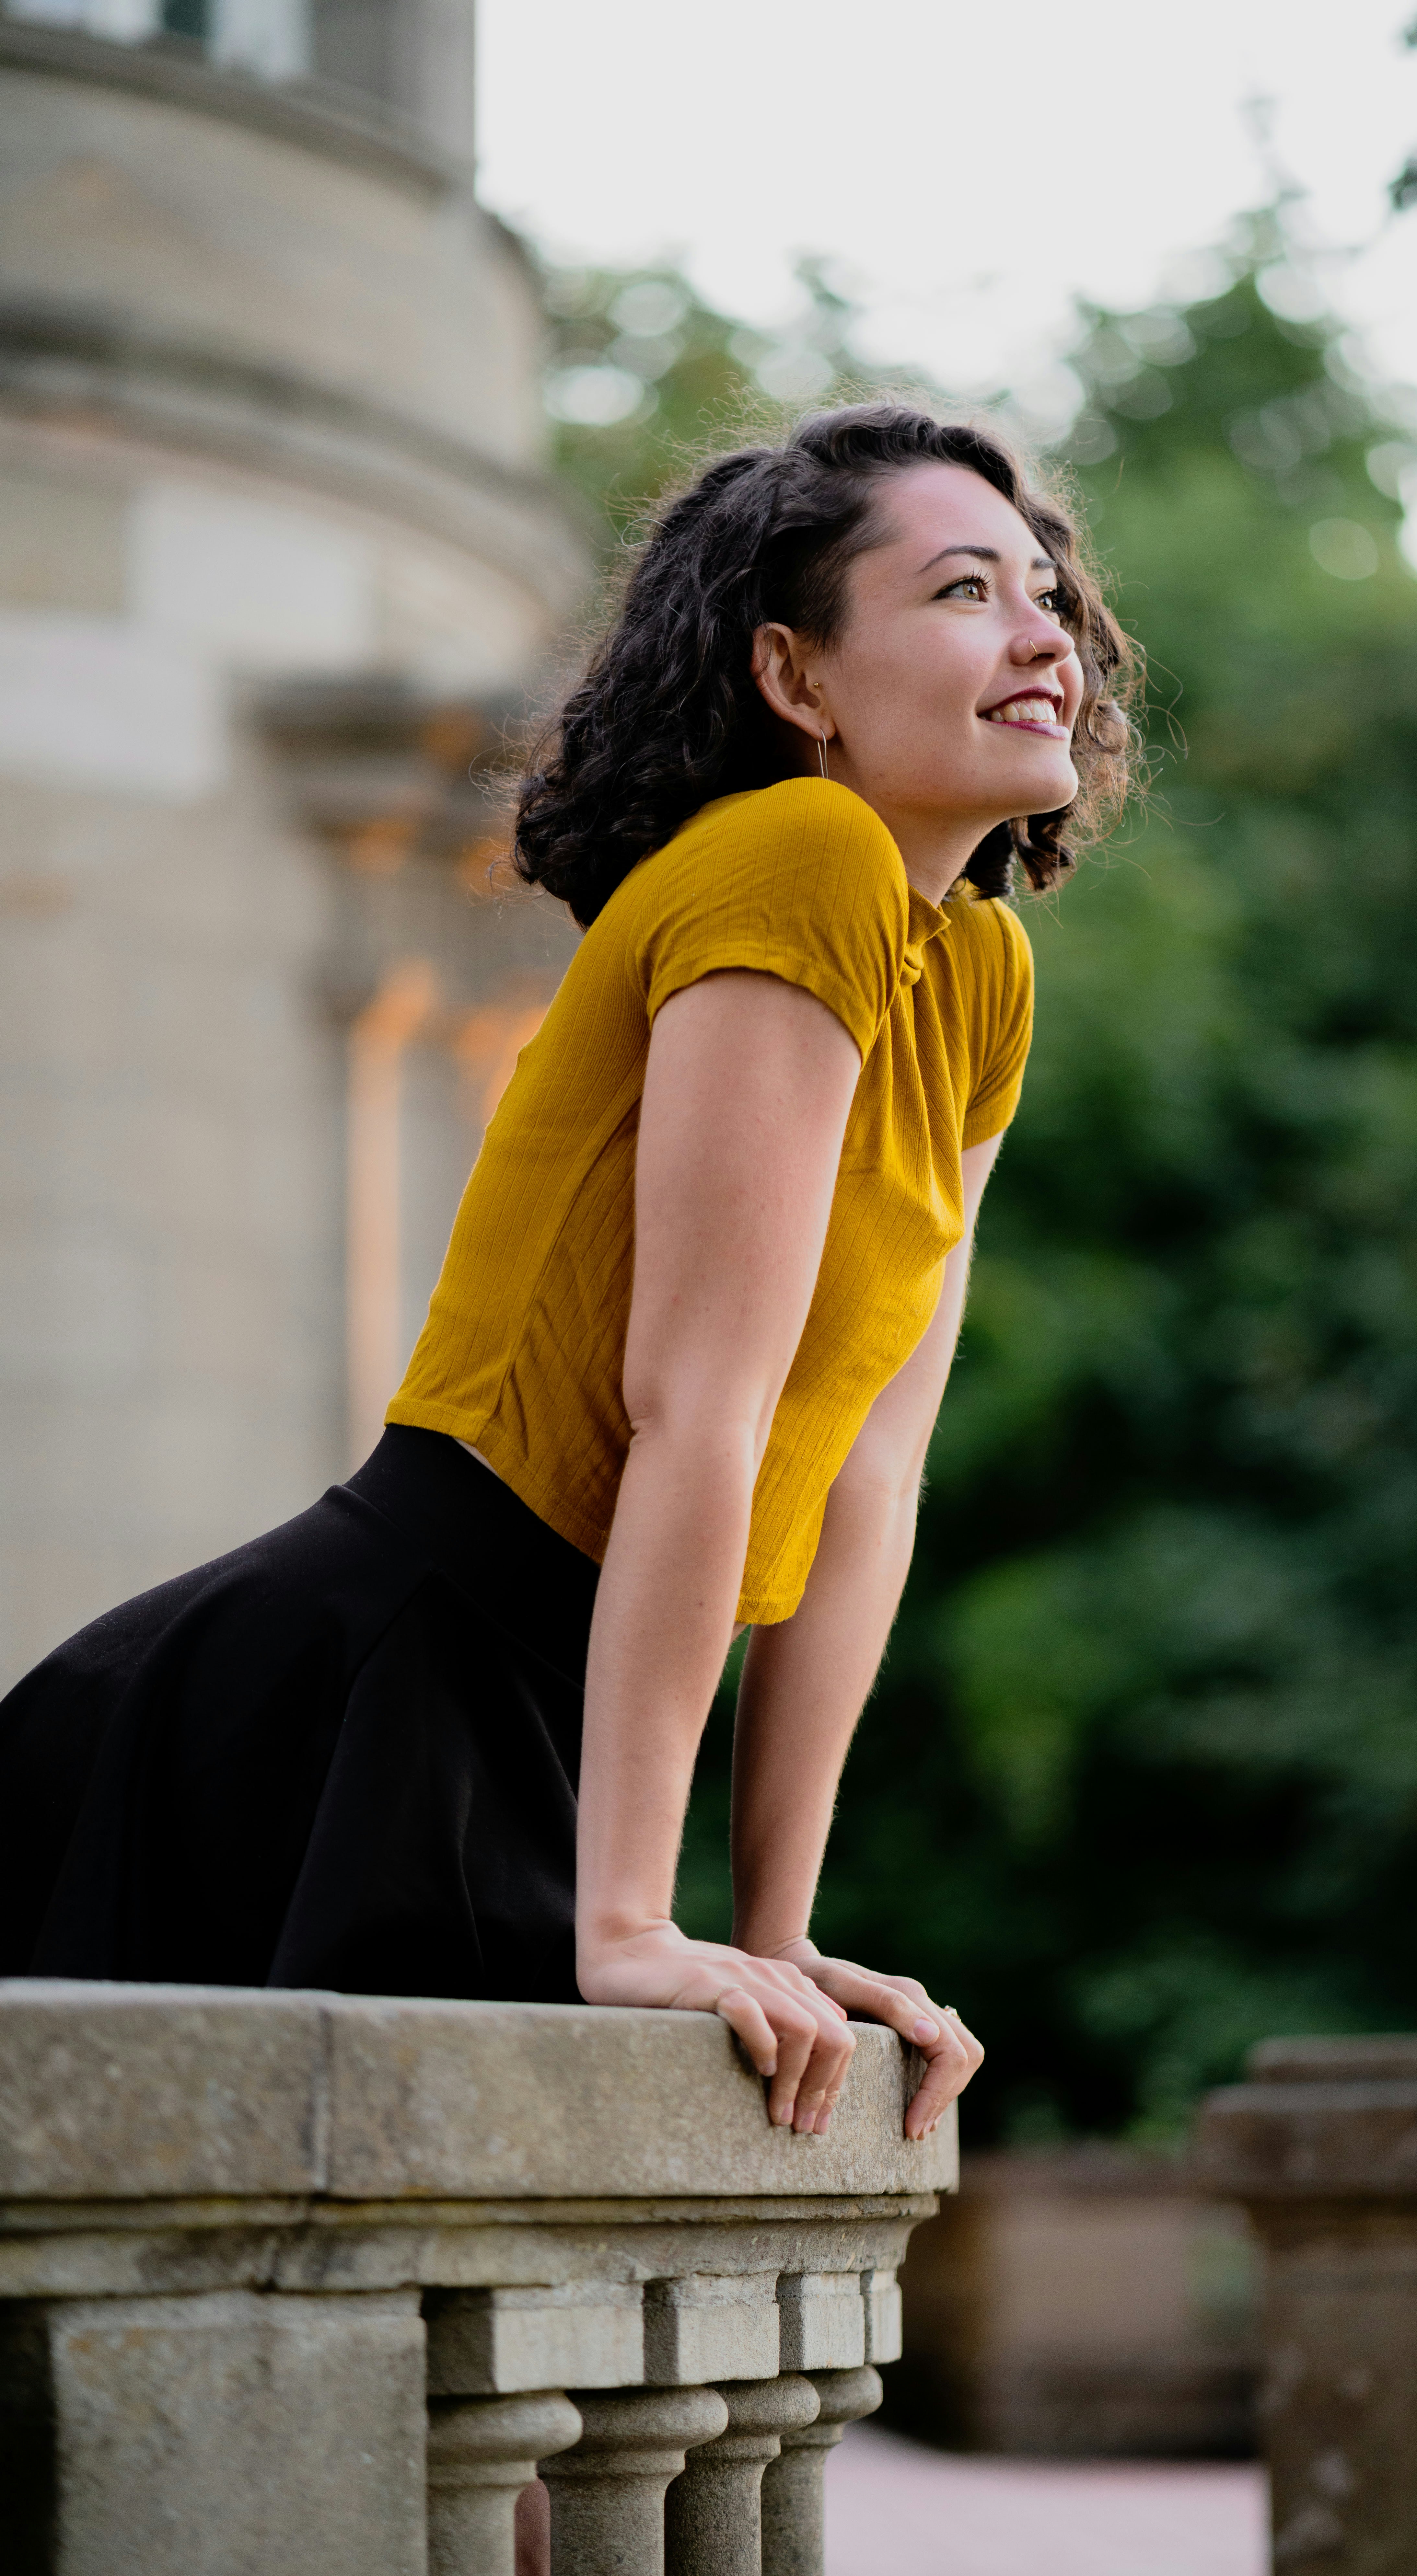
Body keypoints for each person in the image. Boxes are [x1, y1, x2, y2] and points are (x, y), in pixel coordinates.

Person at [0, 404, 1133, 2154]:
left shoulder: (977, 969)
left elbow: (861, 1475)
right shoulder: (799, 857)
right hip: (370, 1698)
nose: (1043, 633)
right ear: (797, 678)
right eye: (965, 591)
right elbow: (696, 1406)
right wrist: (624, 1922)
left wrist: (770, 1931)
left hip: (542, 1707)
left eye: (1045, 592)